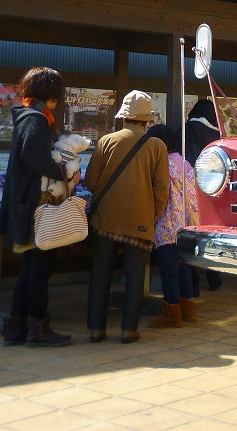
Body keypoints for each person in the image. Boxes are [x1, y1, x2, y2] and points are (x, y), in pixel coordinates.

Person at [84, 90, 169, 344]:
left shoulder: (106, 141)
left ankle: (96, 329)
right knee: (135, 275)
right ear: (147, 120)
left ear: (124, 117)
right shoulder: (157, 146)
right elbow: (161, 188)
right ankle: (128, 330)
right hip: (141, 218)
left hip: (105, 217)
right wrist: (153, 212)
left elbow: (91, 181)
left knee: (100, 272)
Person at [0, 66, 74, 347]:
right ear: (50, 95)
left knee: (30, 269)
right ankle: (37, 331)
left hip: (25, 206)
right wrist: (64, 172)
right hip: (37, 208)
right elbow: (35, 156)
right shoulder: (36, 120)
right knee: (40, 270)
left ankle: (16, 328)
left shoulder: (26, 117)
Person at [144, 123, 199, 328]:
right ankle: (188, 309)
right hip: (185, 226)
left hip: (166, 223)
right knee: (183, 267)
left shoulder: (162, 164)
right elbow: (193, 197)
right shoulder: (185, 163)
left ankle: (172, 313)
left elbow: (160, 194)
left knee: (168, 270)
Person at [184, 99, 223, 292]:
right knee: (209, 233)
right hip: (211, 191)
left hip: (190, 190)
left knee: (191, 234)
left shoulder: (186, 129)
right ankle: (213, 278)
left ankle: (193, 283)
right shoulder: (217, 135)